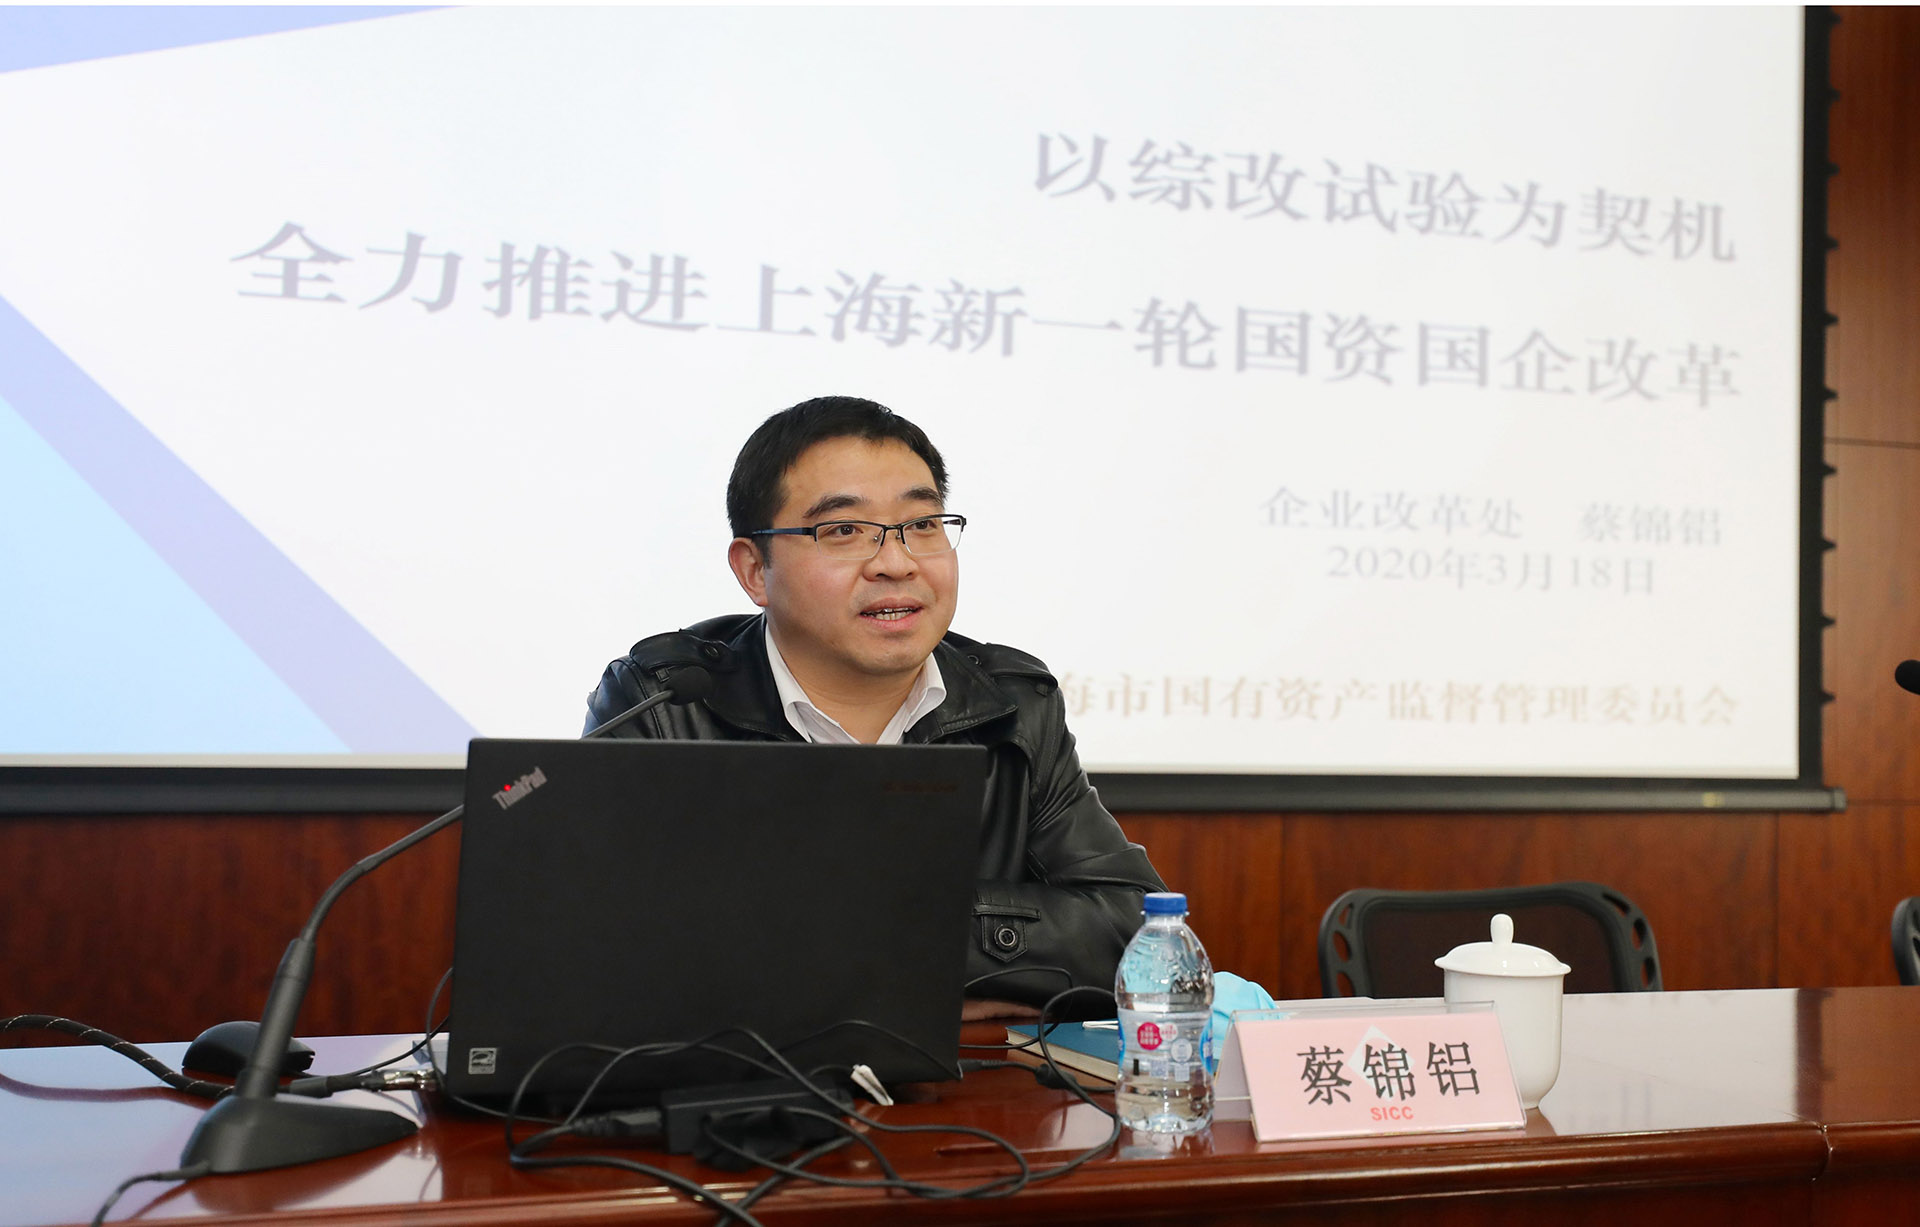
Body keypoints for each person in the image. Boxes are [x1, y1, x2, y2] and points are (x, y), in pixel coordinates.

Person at [585, 396, 1166, 1018]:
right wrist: (942, 983)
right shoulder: (663, 703)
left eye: (923, 525)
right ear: (754, 570)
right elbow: (607, 953)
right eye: (844, 531)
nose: (896, 562)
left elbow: (1140, 938)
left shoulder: (1013, 706)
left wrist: (892, 940)